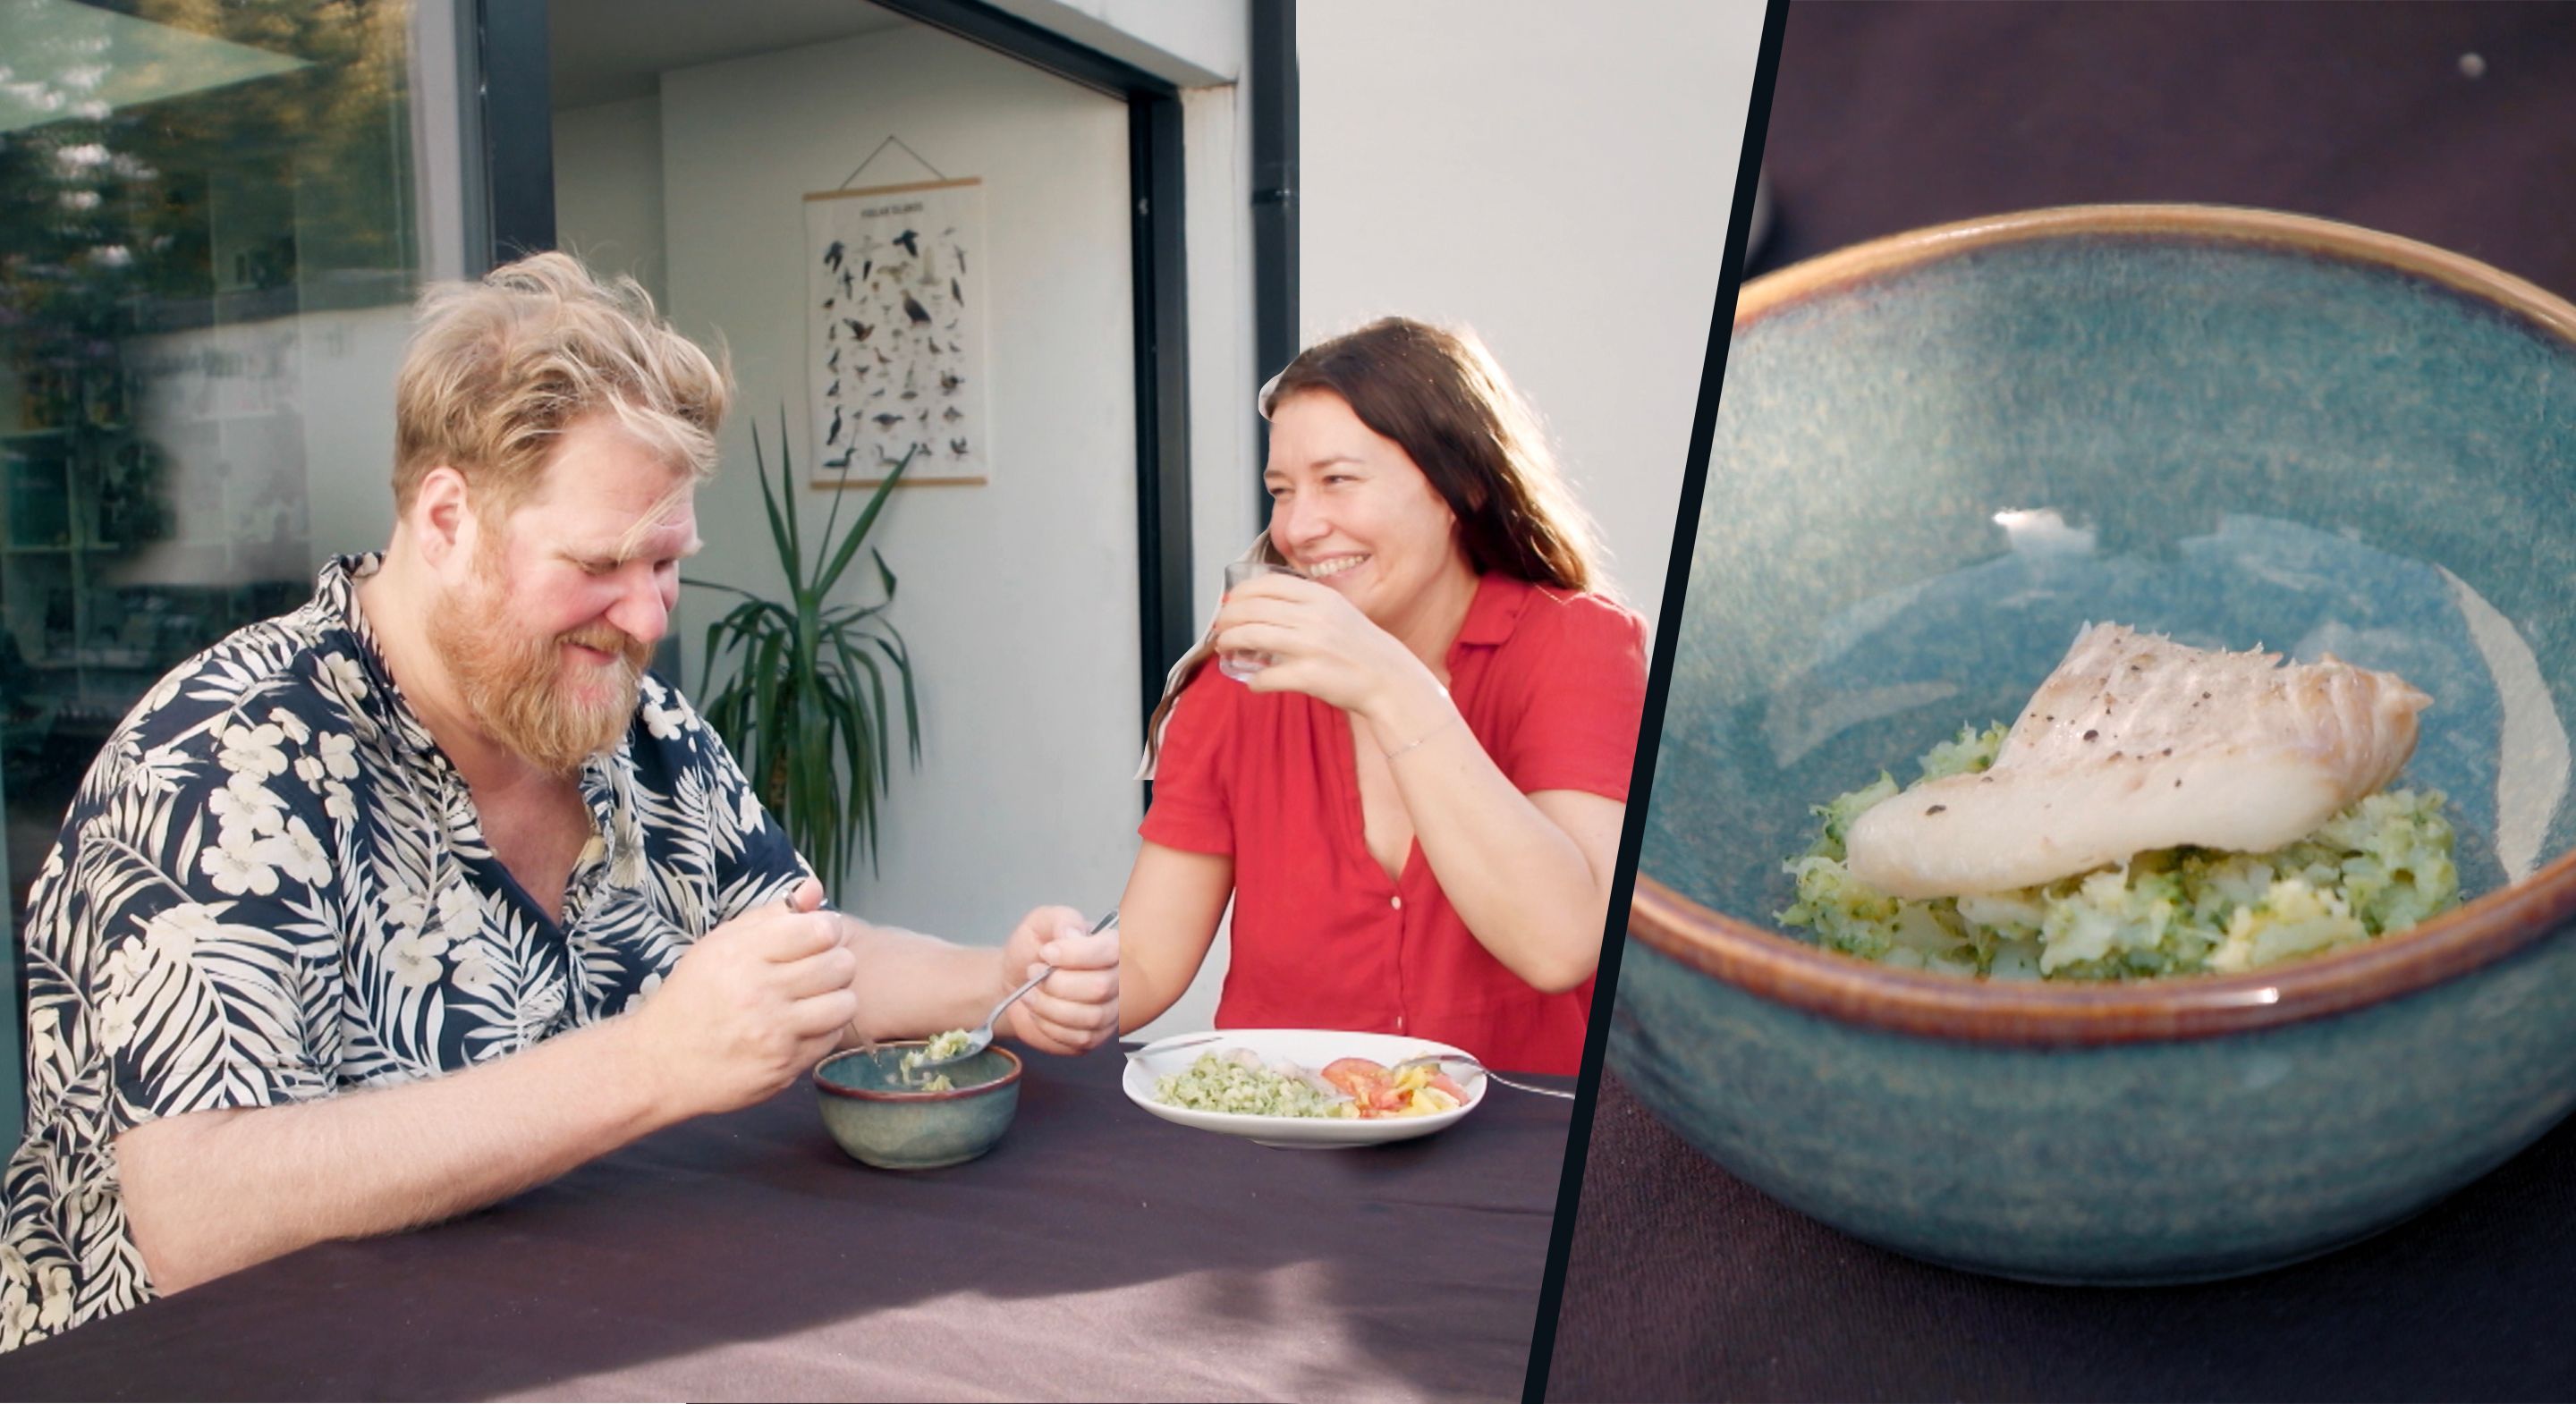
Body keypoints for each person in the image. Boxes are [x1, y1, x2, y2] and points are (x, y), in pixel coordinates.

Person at [0, 253, 1118, 1351]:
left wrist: (994, 984)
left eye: (669, 563)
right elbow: (200, 1217)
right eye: (601, 563)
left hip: (538, 1337)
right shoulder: (223, 766)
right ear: (446, 519)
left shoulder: (621, 720)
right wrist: (649, 1062)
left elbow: (795, 952)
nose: (646, 619)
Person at [1114, 317, 1645, 1076]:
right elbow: (1141, 965)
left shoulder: (1578, 644)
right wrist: (1019, 981)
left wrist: (1391, 685)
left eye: (1337, 481)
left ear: (1459, 483)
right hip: (1289, 1133)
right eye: (1282, 491)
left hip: (1522, 1142)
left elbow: (1560, 944)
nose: (1298, 527)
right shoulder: (1237, 681)